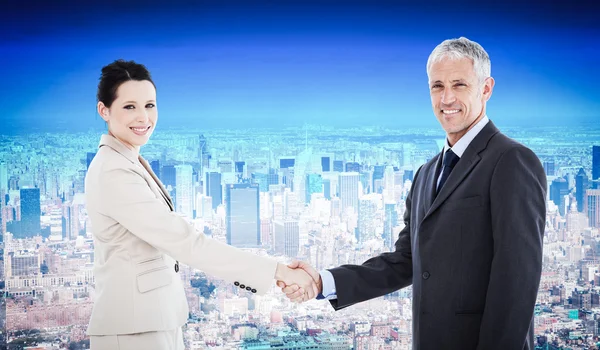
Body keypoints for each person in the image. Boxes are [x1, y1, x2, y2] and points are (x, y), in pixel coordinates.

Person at [280, 37, 547, 350]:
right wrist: (323, 282)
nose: (446, 98)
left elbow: (516, 281)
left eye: (459, 84)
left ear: (486, 89)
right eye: (437, 86)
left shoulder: (511, 160)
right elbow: (405, 262)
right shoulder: (426, 174)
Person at [85, 59, 316, 350]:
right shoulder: (114, 170)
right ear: (104, 110)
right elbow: (186, 242)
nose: (143, 117)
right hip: (133, 331)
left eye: (150, 105)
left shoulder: (127, 160)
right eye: (129, 106)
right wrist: (277, 271)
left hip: (152, 321)